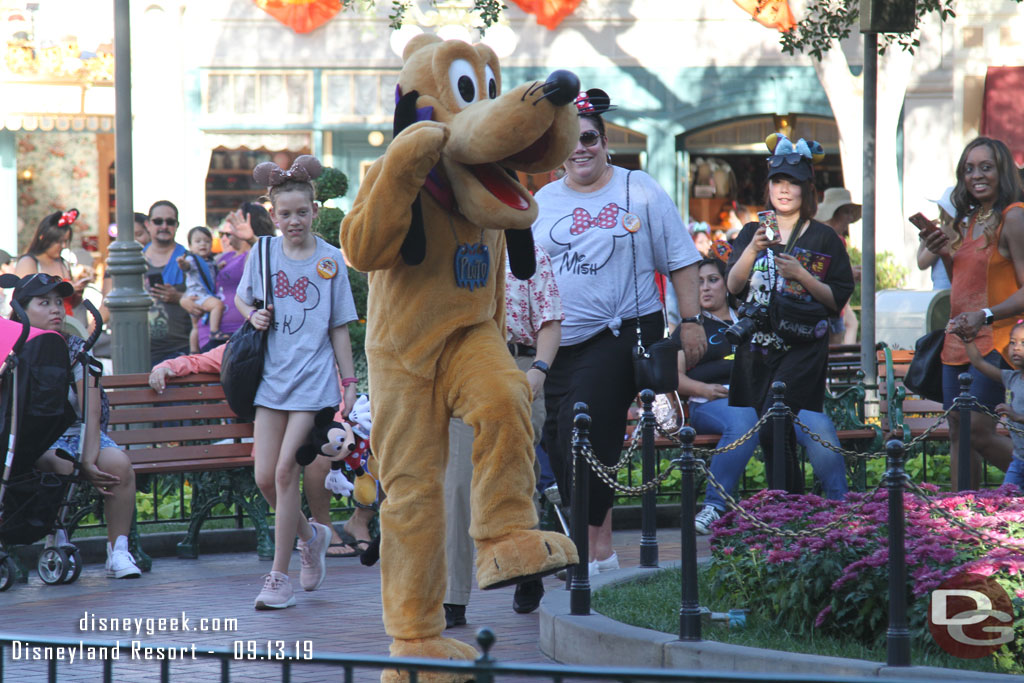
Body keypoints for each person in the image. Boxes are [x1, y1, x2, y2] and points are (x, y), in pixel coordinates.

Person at [533, 88, 704, 576]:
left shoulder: (640, 188)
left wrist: (690, 323)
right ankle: (600, 547)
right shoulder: (543, 201)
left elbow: (681, 259)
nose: (579, 148)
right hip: (557, 342)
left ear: (605, 141)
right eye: (568, 139)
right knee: (563, 441)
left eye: (588, 138)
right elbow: (524, 274)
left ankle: (586, 553)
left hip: (622, 332)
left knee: (582, 427)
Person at [237, 154, 359, 610]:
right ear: (272, 214)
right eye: (284, 213)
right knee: (265, 477)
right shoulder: (263, 252)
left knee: (288, 471)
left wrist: (348, 380)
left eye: (301, 212)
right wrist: (255, 314)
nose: (294, 221)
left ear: (315, 211)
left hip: (312, 382)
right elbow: (241, 299)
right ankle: (313, 537)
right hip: (271, 382)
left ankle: (277, 577)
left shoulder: (330, 260)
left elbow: (339, 325)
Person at [147, 344, 375, 557]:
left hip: (329, 430)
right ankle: (319, 528)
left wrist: (344, 428)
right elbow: (198, 361)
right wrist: (166, 367)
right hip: (279, 438)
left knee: (379, 446)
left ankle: (360, 520)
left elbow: (332, 397)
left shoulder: (310, 342)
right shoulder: (248, 345)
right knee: (316, 458)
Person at [677, 259, 848, 534]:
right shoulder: (693, 327)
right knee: (743, 419)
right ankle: (714, 506)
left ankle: (842, 507)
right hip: (714, 401)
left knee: (817, 422)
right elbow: (675, 376)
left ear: (728, 283)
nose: (705, 288)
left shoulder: (755, 318)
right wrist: (703, 389)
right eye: (699, 282)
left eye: (712, 280)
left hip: (768, 397)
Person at [725, 135, 854, 496]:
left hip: (802, 347)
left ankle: (788, 505)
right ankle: (789, 506)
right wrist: (751, 249)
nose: (784, 190)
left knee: (774, 423)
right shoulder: (753, 231)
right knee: (771, 432)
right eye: (777, 182)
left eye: (792, 183)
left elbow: (836, 299)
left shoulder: (825, 238)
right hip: (757, 348)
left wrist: (802, 276)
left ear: (807, 189)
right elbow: (733, 287)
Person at [443, 243, 563, 628]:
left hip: (518, 366)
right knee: (458, 485)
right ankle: (452, 597)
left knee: (514, 479)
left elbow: (550, 318)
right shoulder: (452, 250)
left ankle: (527, 571)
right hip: (465, 372)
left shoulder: (529, 253)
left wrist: (539, 370)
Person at [5, 272, 141, 578]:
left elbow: (91, 410)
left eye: (58, 302)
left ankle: (118, 551)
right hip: (25, 439)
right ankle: (56, 535)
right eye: (45, 302)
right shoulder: (7, 344)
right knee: (57, 465)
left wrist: (89, 458)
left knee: (118, 465)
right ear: (22, 308)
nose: (56, 309)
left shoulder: (76, 347)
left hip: (75, 435)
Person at [923, 137, 1024, 489]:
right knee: (958, 430)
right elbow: (963, 283)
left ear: (1002, 172)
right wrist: (945, 253)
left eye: (986, 167)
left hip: (998, 339)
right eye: (969, 169)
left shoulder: (1014, 217)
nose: (976, 175)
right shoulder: (967, 221)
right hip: (959, 340)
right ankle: (962, 517)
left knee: (978, 431)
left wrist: (986, 313)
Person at [964, 325, 1024, 489]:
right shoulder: (1012, 378)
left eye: (1023, 343)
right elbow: (979, 363)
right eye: (1013, 343)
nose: (1016, 348)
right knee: (1006, 500)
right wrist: (968, 339)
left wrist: (1017, 416)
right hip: (1019, 461)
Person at [143, 201, 194, 366]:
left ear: (177, 225)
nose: (164, 226)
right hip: (140, 350)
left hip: (179, 351)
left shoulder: (190, 260)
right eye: (158, 221)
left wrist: (178, 296)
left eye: (170, 222)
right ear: (148, 224)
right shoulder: (134, 260)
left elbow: (207, 299)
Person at [16, 209, 92, 317]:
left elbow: (71, 305)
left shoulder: (63, 263)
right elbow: (23, 300)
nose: (63, 246)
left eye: (66, 241)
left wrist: (77, 293)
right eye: (59, 241)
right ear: (43, 237)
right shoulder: (29, 262)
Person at [815, 187, 862, 345]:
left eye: (850, 212)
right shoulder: (823, 238)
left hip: (836, 307)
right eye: (846, 212)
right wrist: (849, 274)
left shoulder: (837, 239)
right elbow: (817, 274)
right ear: (834, 213)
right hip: (825, 310)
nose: (850, 218)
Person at [178, 226, 226, 352]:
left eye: (206, 241)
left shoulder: (210, 261)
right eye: (198, 241)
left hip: (197, 296)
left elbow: (211, 272)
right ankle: (214, 331)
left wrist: (219, 267)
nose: (202, 244)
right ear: (190, 246)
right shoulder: (192, 259)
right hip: (198, 295)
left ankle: (193, 351)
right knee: (217, 305)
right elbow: (187, 267)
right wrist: (182, 264)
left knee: (195, 326)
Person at [915, 187, 954, 290]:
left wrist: (924, 240)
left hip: (942, 293)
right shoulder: (968, 230)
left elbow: (922, 263)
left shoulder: (944, 232)